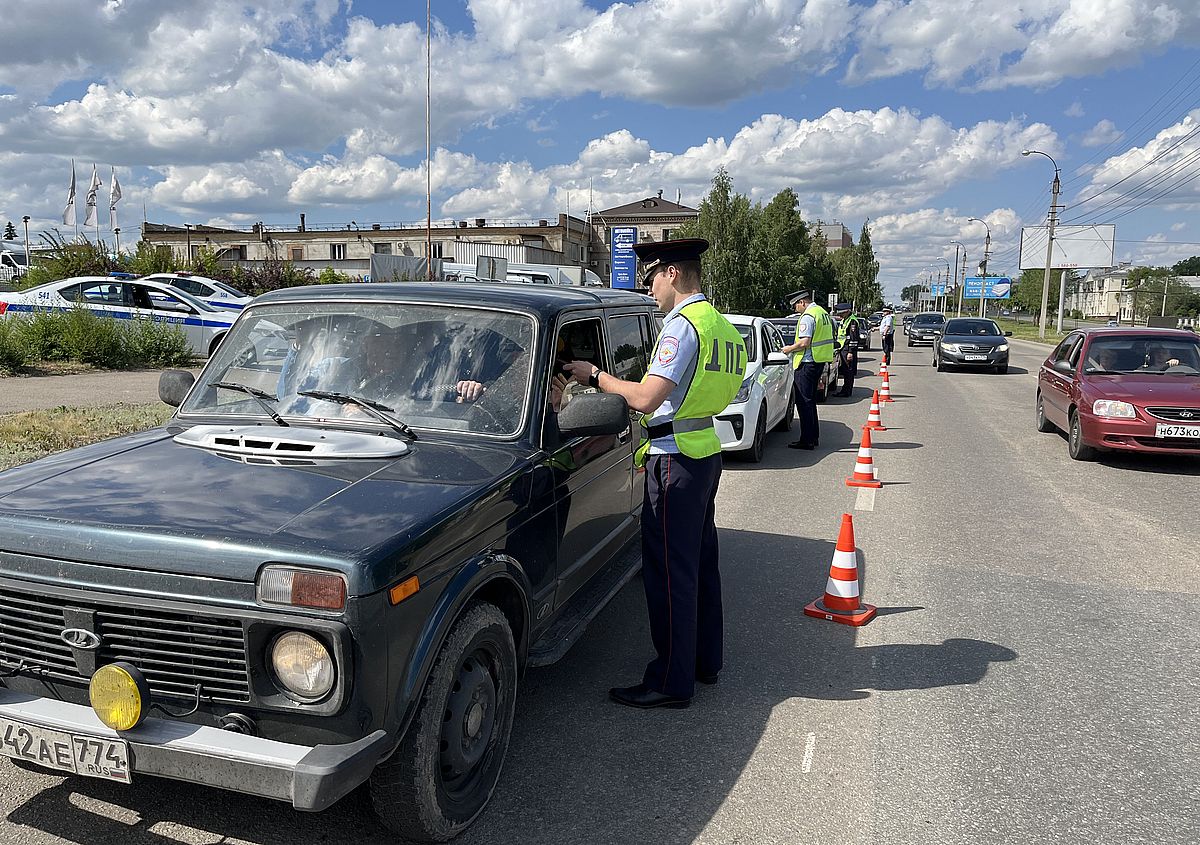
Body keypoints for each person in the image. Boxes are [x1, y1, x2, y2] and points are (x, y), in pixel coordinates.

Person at [563, 238, 744, 710]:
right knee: (701, 567)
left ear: (673, 275)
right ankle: (705, 662)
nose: (650, 288)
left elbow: (645, 398)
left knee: (669, 576)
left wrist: (593, 375)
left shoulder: (682, 327)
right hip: (704, 451)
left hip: (675, 459)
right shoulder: (722, 326)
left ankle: (669, 680)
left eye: (652, 278)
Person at [780, 290, 834, 450]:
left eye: (795, 305)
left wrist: (788, 349)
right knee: (810, 401)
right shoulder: (822, 312)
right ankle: (813, 436)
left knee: (804, 402)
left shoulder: (808, 317)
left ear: (802, 302)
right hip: (818, 361)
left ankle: (807, 440)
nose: (795, 308)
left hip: (807, 363)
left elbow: (805, 342)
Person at [833, 302, 860, 397]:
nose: (840, 314)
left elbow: (853, 338)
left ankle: (847, 391)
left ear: (847, 311)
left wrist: (850, 352)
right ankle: (845, 390)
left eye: (842, 313)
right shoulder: (845, 320)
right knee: (845, 371)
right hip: (842, 348)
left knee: (848, 371)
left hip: (847, 349)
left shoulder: (852, 321)